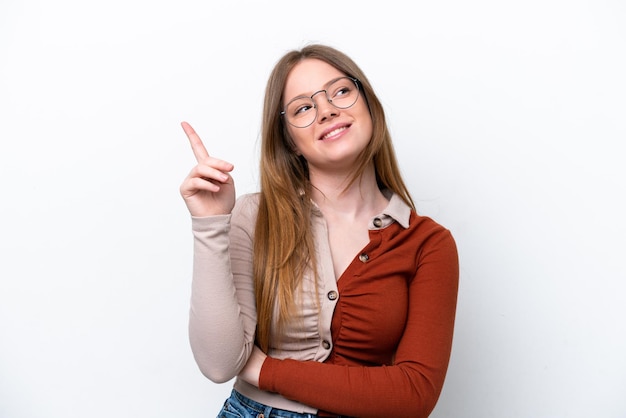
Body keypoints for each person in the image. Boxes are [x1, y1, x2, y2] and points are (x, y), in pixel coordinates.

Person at [179, 44, 459, 418]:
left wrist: (264, 369)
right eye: (303, 108)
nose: (326, 110)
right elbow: (219, 363)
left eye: (340, 91)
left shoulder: (427, 243)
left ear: (369, 105)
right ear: (290, 142)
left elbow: (413, 395)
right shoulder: (255, 214)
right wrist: (211, 223)